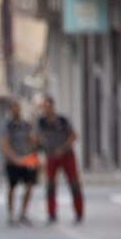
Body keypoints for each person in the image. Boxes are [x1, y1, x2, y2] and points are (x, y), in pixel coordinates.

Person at [34, 96, 84, 225]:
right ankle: (51, 213)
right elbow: (36, 137)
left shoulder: (63, 120)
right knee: (50, 185)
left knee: (74, 183)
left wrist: (62, 149)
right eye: (44, 107)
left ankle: (79, 213)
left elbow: (73, 136)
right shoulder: (41, 122)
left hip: (66, 155)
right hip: (51, 156)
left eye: (48, 106)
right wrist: (43, 144)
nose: (46, 109)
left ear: (53, 106)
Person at [0, 99, 38, 226]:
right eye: (13, 107)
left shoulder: (26, 125)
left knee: (29, 186)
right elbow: (4, 144)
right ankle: (11, 215)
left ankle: (23, 213)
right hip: (12, 161)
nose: (16, 110)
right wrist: (14, 158)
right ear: (10, 110)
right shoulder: (7, 126)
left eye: (17, 107)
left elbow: (32, 141)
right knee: (12, 187)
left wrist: (33, 155)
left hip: (27, 160)